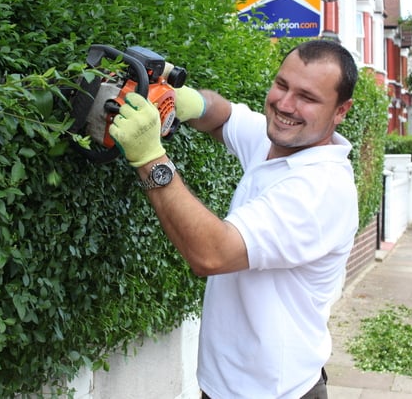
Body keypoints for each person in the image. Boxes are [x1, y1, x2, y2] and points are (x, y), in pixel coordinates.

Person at [110, 40, 359, 399]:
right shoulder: (280, 140)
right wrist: (185, 101)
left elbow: (212, 253)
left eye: (307, 97)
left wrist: (150, 157)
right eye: (282, 85)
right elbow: (224, 115)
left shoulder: (320, 190)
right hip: (226, 387)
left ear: (340, 111)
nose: (285, 105)